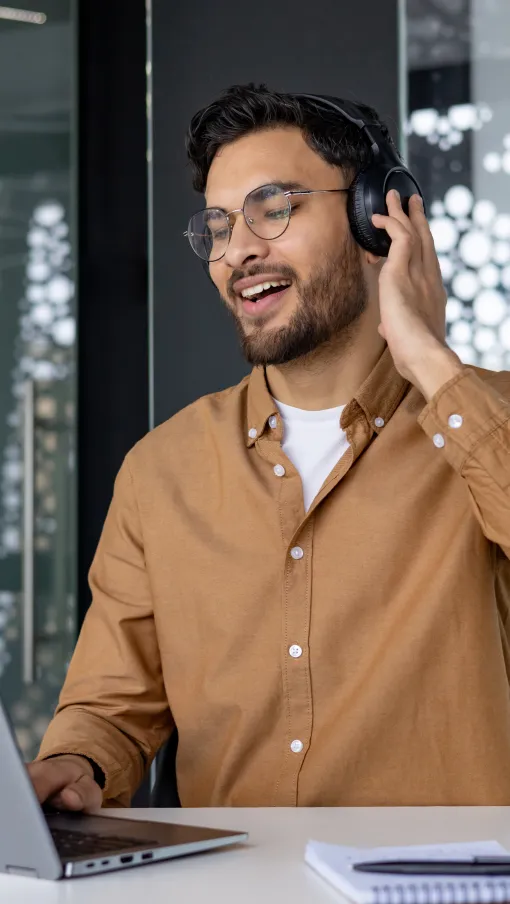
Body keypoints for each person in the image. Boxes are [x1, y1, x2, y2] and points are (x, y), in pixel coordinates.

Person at [28, 83, 510, 812]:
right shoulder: (163, 470)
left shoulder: (486, 422)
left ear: (377, 219)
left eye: (275, 209)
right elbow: (111, 709)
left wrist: (428, 357)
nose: (239, 251)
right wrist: (78, 763)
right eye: (219, 227)